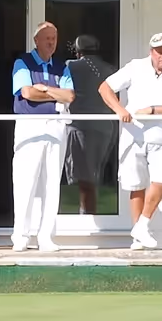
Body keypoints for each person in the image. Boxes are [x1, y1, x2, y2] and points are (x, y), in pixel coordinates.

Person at [99, 31, 162, 249]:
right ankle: (138, 236)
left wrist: (153, 110)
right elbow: (105, 88)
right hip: (134, 134)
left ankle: (142, 224)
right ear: (151, 52)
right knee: (136, 184)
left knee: (161, 179)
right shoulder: (136, 67)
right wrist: (120, 110)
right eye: (159, 52)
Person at [11, 21, 74, 252]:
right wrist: (52, 93)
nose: (51, 43)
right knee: (25, 182)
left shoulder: (62, 66)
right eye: (47, 38)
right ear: (36, 41)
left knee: (51, 184)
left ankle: (45, 236)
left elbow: (69, 96)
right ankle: (21, 235)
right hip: (31, 125)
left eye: (54, 39)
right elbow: (27, 93)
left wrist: (45, 89)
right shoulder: (22, 62)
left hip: (56, 126)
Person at [65, 34, 117, 215]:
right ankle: (87, 215)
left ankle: (87, 218)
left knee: (85, 179)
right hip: (106, 128)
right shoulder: (110, 69)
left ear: (78, 52)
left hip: (81, 126)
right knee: (94, 176)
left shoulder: (70, 66)